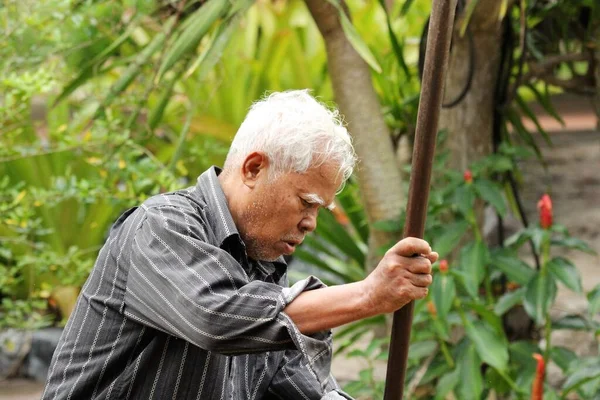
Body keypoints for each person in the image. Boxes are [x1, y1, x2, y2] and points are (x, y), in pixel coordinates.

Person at [42, 90, 437, 400]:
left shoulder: (262, 268)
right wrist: (369, 295)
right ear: (253, 169)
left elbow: (296, 383)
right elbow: (215, 316)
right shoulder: (162, 227)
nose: (310, 223)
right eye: (306, 203)